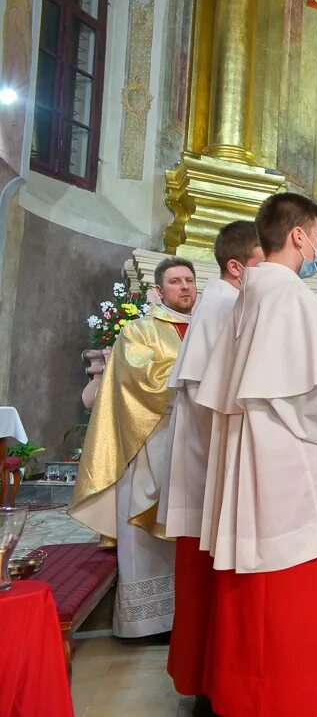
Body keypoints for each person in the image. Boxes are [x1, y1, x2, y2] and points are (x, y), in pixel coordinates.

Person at [195, 193, 317, 716]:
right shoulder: (291, 297)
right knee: (291, 599)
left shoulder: (248, 295)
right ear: (297, 236)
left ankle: (243, 698)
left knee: (253, 598)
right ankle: (291, 702)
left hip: (256, 460)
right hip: (291, 470)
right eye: (316, 237)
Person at [160, 222, 262, 710]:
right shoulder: (226, 304)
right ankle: (211, 684)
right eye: (264, 263)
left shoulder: (223, 301)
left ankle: (207, 681)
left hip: (207, 470)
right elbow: (213, 396)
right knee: (212, 585)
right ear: (238, 266)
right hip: (211, 475)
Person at [68, 257, 195, 639]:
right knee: (146, 530)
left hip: (196, 445)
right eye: (175, 282)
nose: (185, 287)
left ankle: (189, 615)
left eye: (189, 280)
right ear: (159, 290)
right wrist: (197, 379)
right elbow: (141, 380)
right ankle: (148, 622)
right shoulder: (139, 331)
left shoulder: (210, 329)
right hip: (152, 443)